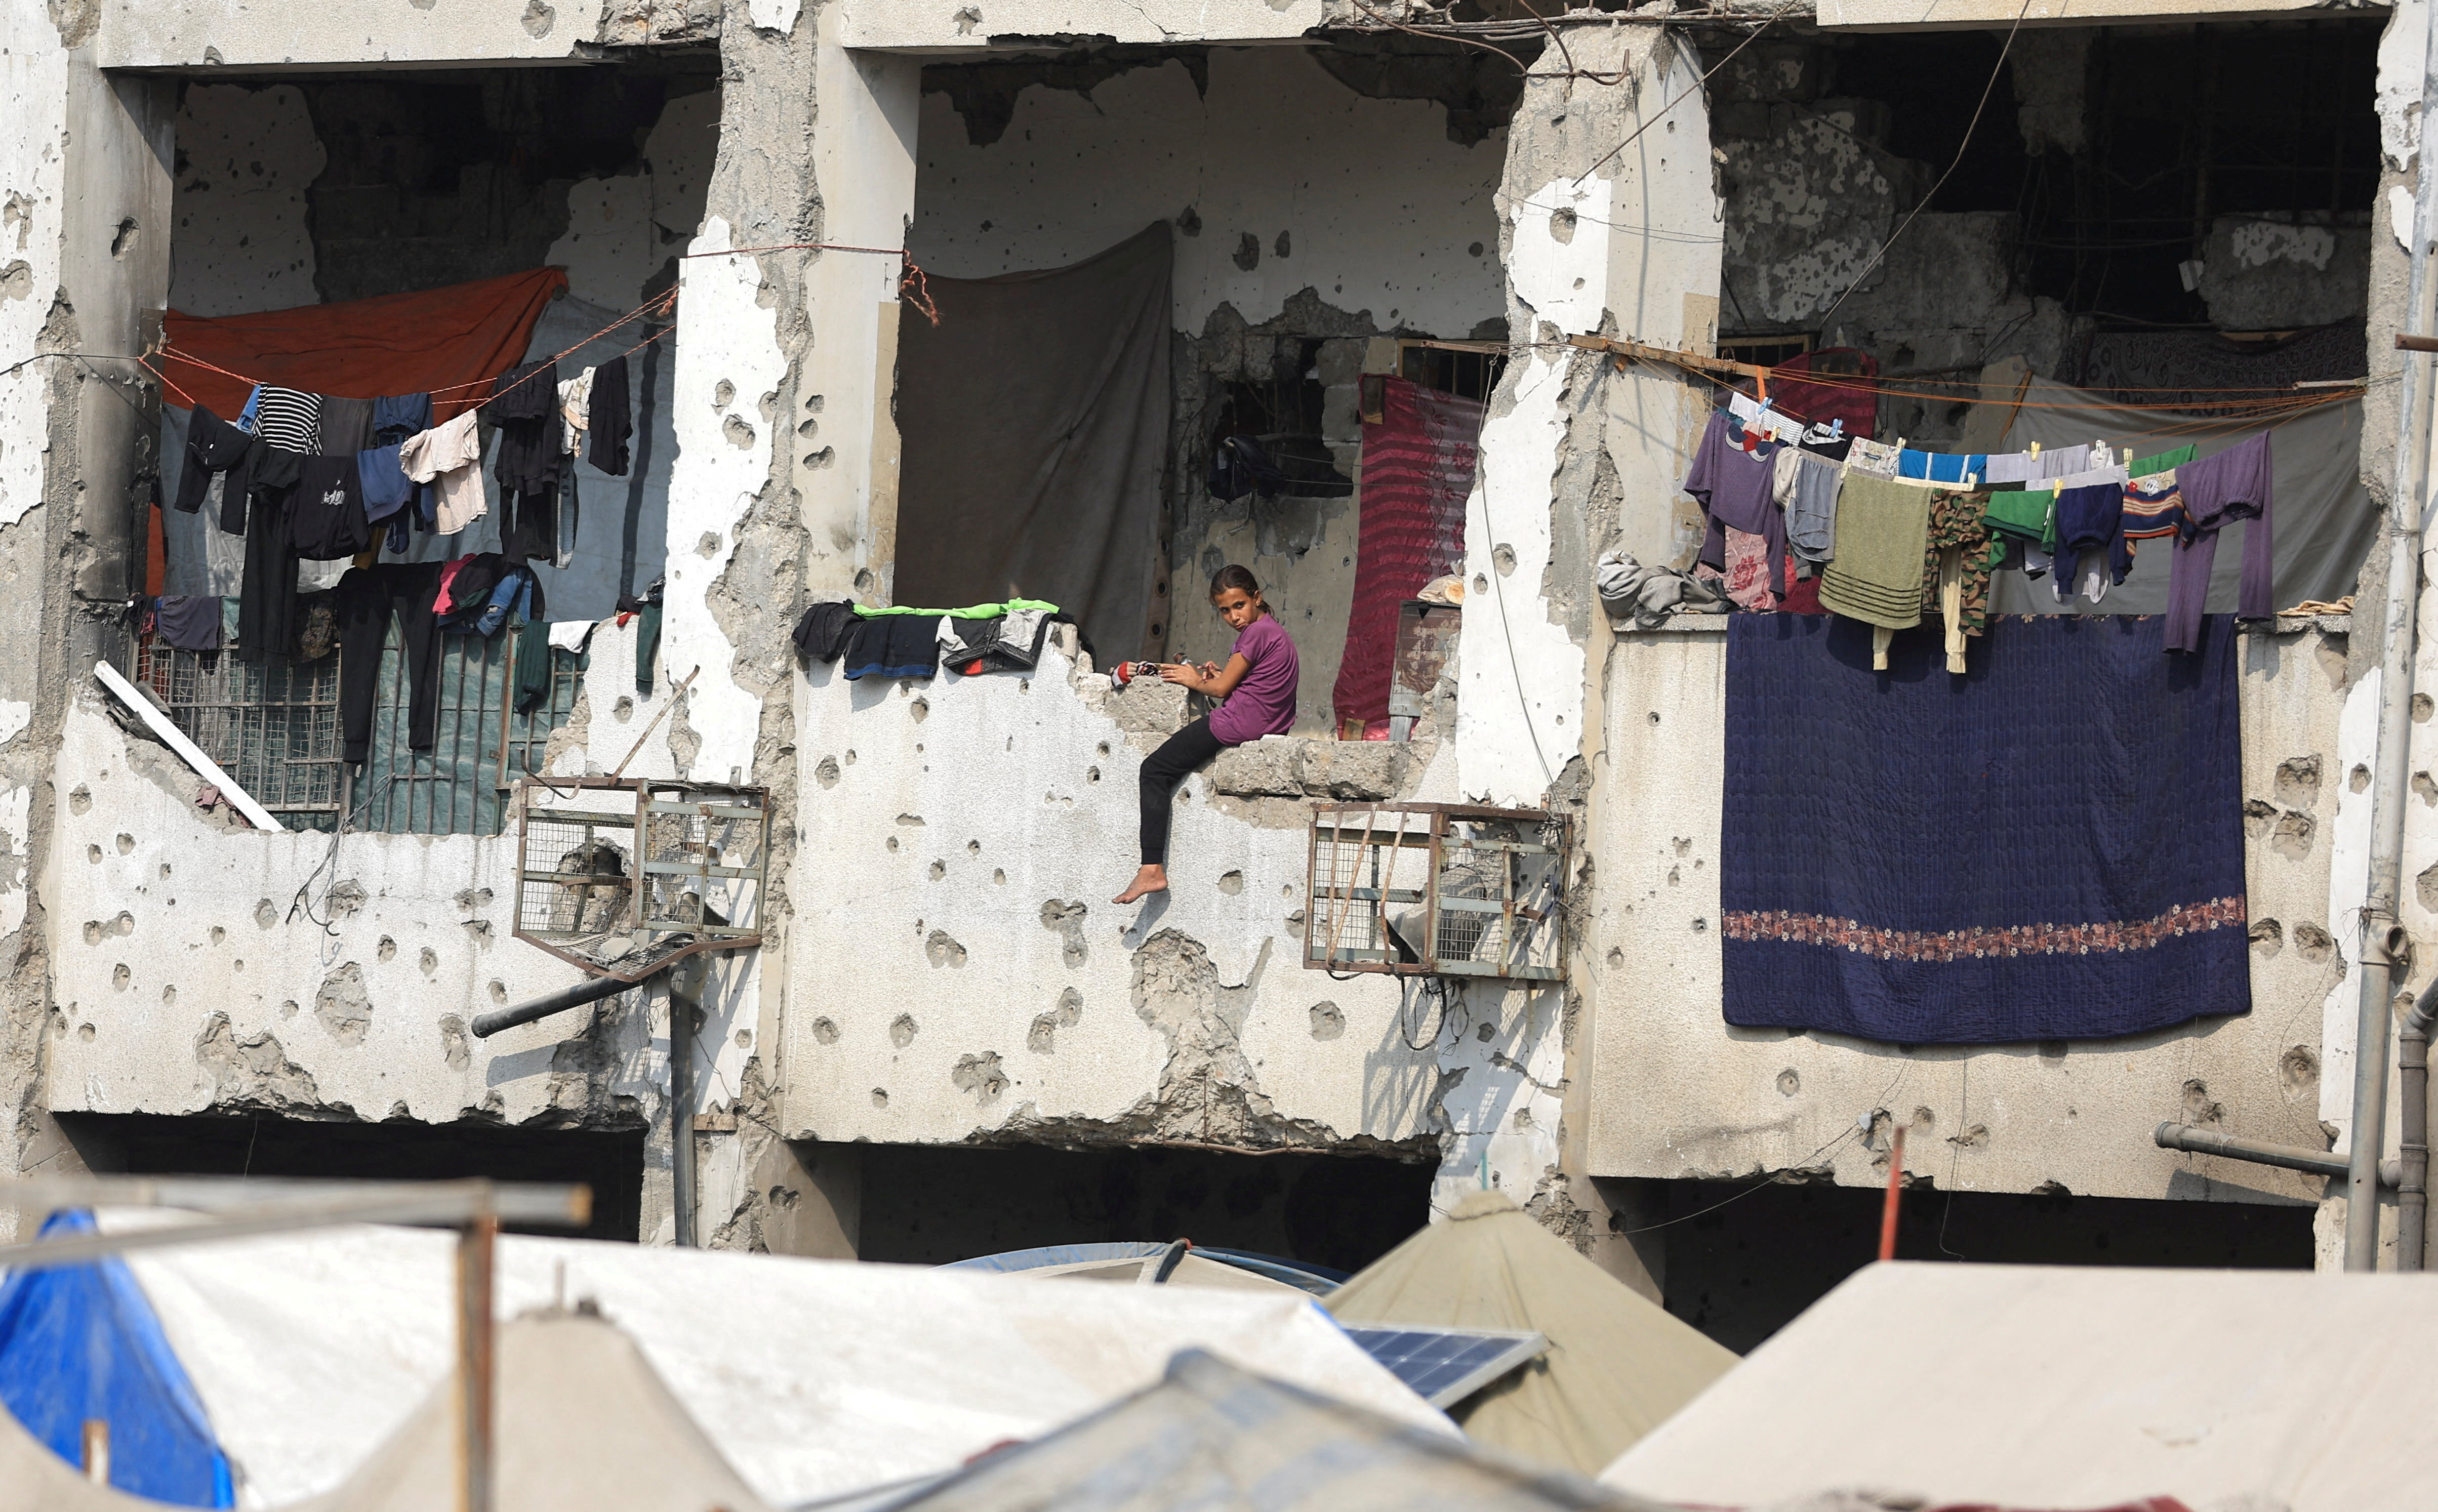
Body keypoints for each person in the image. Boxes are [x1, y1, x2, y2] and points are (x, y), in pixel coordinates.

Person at [1113, 565, 1300, 905]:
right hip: (1266, 722)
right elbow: (1241, 683)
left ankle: (1151, 869)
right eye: (1225, 610)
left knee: (1154, 770)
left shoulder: (1254, 635)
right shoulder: (1272, 630)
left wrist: (1193, 679)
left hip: (1239, 723)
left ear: (1256, 598)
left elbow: (1224, 687)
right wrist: (1212, 677)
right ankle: (1150, 870)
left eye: (1240, 605)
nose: (1234, 616)